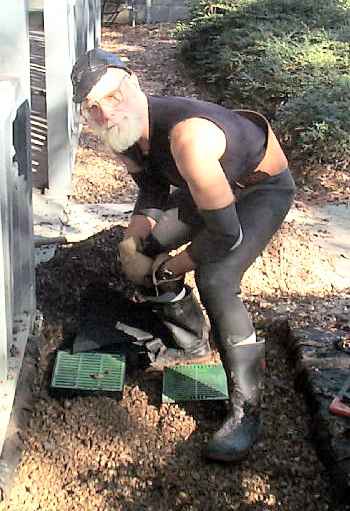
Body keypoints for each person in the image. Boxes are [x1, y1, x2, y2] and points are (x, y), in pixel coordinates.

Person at [71, 48, 296, 463]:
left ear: (135, 82)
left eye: (114, 96)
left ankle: (246, 410)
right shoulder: (122, 133)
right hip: (209, 189)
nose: (106, 113)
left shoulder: (186, 138)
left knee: (216, 278)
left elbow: (225, 235)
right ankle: (192, 342)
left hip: (258, 188)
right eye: (93, 108)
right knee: (141, 253)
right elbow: (152, 190)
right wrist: (133, 240)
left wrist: (168, 266)